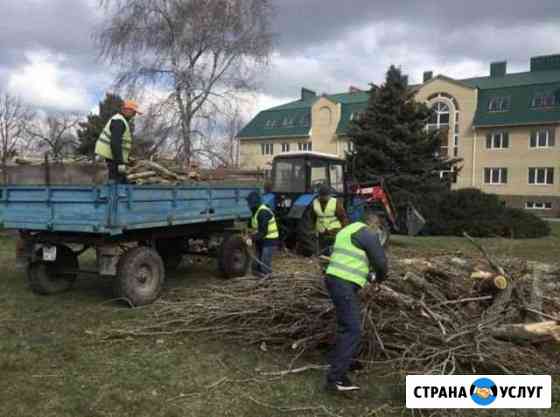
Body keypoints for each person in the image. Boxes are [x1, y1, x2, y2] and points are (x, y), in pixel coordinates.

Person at [324, 219, 388, 392]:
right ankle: (335, 379)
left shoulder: (348, 230)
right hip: (343, 284)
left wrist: (368, 276)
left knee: (346, 326)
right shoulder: (368, 234)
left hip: (334, 279)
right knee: (353, 329)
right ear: (375, 226)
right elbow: (381, 263)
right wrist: (380, 279)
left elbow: (351, 260)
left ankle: (345, 364)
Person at [95, 100, 142, 183]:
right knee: (116, 185)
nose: (134, 115)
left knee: (121, 183)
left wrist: (126, 159)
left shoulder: (120, 120)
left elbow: (121, 144)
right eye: (133, 112)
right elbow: (115, 143)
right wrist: (120, 163)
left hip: (112, 159)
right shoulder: (119, 121)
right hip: (111, 161)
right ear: (126, 110)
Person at [246, 191, 279, 278]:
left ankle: (267, 279)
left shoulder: (263, 212)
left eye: (250, 204)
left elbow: (263, 232)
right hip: (261, 239)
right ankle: (257, 277)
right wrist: (248, 234)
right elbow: (251, 225)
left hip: (270, 241)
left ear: (254, 203)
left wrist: (251, 238)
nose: (248, 206)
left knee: (264, 264)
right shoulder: (255, 211)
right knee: (255, 264)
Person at [313, 184, 349, 255]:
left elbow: (343, 217)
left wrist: (345, 229)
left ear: (329, 195)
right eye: (322, 196)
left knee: (335, 249)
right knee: (323, 250)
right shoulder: (315, 202)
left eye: (325, 196)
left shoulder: (335, 202)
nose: (324, 197)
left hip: (334, 230)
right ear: (319, 195)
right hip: (321, 231)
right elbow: (312, 217)